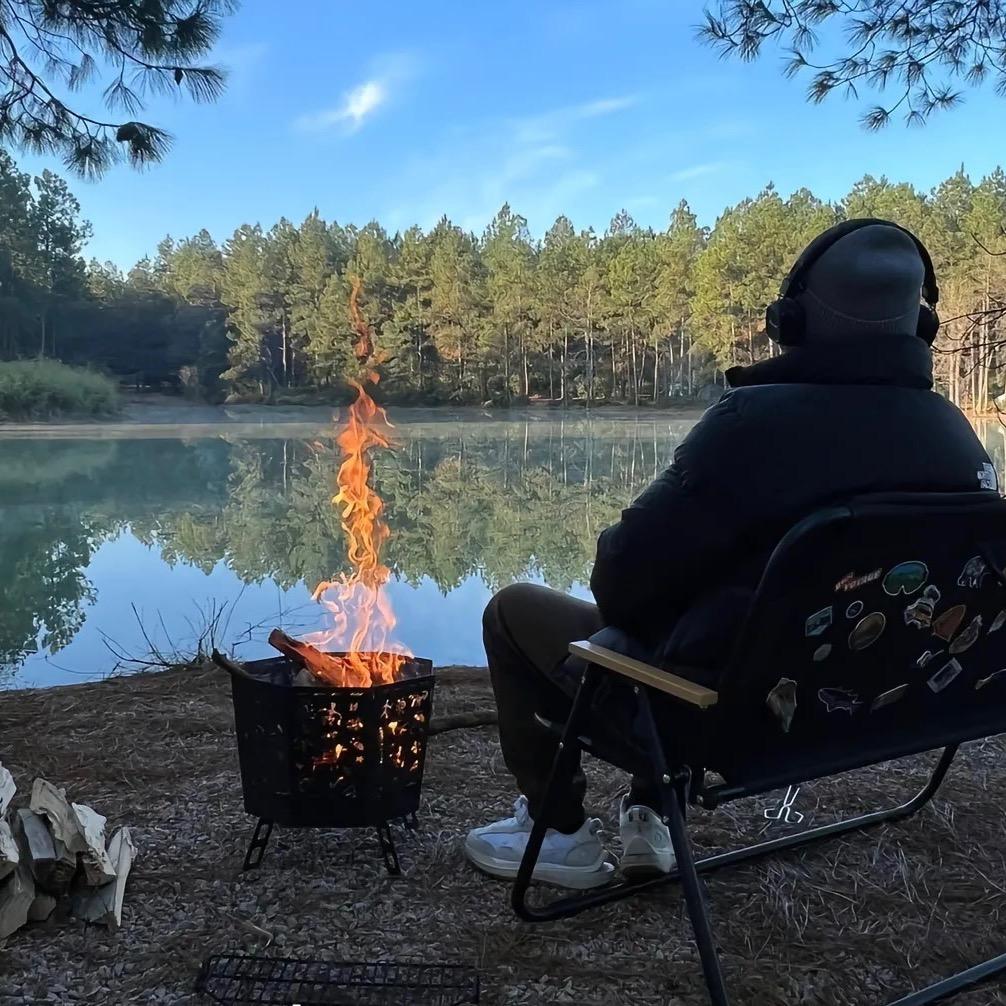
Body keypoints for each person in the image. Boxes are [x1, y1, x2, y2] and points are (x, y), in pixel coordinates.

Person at [465, 219, 997, 890]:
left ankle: (560, 832)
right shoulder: (958, 438)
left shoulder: (751, 427)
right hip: (896, 707)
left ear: (792, 320)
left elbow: (620, 585)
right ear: (919, 328)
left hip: (730, 721)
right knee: (709, 606)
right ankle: (650, 817)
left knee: (514, 610)